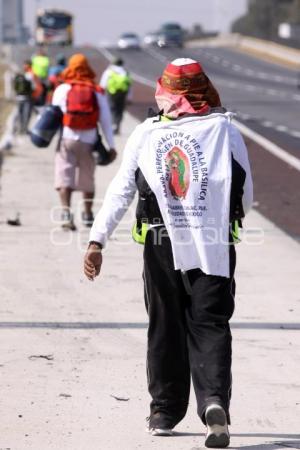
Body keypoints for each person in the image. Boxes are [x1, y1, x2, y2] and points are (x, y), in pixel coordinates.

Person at [84, 58, 253, 448]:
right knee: (210, 323)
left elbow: (122, 190)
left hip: (160, 245)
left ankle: (164, 410)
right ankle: (214, 402)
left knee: (165, 325)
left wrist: (97, 240)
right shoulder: (224, 129)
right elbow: (246, 191)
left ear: (166, 90)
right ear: (203, 89)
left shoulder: (147, 133)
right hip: (212, 243)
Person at [52, 53, 116, 231]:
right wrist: (111, 146)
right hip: (90, 141)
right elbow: (105, 121)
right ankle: (87, 215)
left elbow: (52, 116)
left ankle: (66, 213)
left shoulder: (62, 89)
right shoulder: (96, 91)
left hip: (67, 140)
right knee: (87, 178)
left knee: (65, 176)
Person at [100, 58, 132, 134]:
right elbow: (129, 86)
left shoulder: (109, 71)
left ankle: (111, 126)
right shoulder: (125, 72)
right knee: (119, 111)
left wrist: (101, 95)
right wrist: (129, 97)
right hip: (122, 94)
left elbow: (103, 84)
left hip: (111, 93)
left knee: (111, 109)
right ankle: (117, 126)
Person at [13, 60, 43, 134]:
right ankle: (24, 129)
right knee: (26, 114)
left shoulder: (22, 74)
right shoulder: (31, 74)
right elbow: (35, 87)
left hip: (19, 97)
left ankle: (21, 129)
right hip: (28, 98)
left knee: (20, 113)